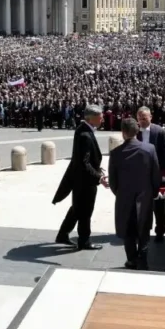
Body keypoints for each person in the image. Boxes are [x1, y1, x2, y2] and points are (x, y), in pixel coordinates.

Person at [108, 118, 161, 270]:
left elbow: (113, 181)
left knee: (128, 230)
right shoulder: (150, 149)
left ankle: (131, 259)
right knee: (144, 230)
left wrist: (120, 193)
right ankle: (143, 258)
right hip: (144, 196)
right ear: (137, 131)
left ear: (123, 133)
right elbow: (155, 175)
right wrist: (153, 192)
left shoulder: (116, 153)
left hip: (125, 197)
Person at [53, 104, 105, 250]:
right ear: (91, 118)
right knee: (85, 211)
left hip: (80, 179)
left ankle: (63, 234)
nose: (102, 119)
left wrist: (97, 169)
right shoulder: (84, 135)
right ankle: (84, 241)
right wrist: (98, 177)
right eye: (100, 117)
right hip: (85, 181)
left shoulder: (84, 130)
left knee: (77, 208)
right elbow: (84, 162)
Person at [136, 106, 165, 242]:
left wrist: (163, 173)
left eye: (144, 118)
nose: (142, 121)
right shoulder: (135, 131)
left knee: (159, 204)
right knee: (142, 204)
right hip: (140, 173)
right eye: (139, 118)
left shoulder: (160, 132)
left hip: (157, 173)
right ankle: (143, 230)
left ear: (151, 117)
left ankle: (160, 231)